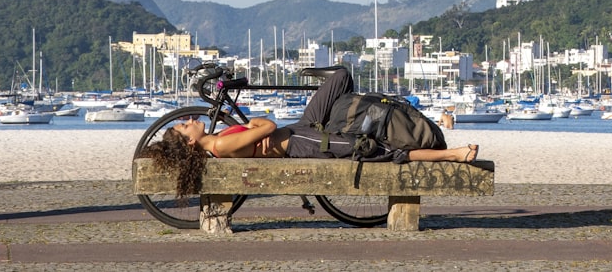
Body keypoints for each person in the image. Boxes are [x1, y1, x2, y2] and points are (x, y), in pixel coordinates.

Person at [139, 66, 479, 198]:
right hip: (302, 143)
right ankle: (453, 154)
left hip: (299, 133)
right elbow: (268, 125)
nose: (189, 122)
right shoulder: (222, 146)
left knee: (342, 77)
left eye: (184, 121)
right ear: (189, 141)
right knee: (377, 149)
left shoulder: (220, 141)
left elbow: (263, 129)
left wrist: (258, 127)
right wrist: (257, 126)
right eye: (185, 126)